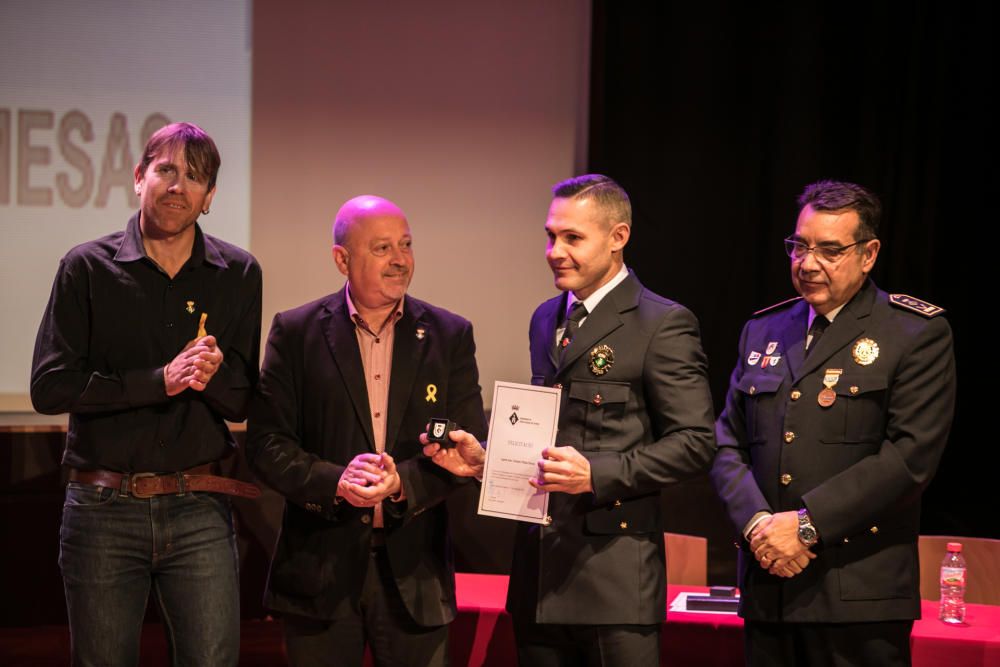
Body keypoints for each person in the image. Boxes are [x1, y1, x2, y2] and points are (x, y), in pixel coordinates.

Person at [424, 174, 716, 665]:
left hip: (614, 580)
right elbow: (550, 430)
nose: (555, 251)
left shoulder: (661, 323)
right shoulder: (546, 317)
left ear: (618, 238)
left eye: (572, 238)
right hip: (540, 572)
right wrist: (486, 464)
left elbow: (695, 443)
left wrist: (595, 475)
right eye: (550, 236)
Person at [30, 122, 263, 666]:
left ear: (209, 198)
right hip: (103, 506)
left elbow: (244, 399)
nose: (179, 186)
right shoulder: (87, 267)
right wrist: (160, 380)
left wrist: (212, 374)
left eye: (196, 178)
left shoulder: (238, 273)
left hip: (200, 506)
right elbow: (49, 386)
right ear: (139, 178)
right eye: (166, 170)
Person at [710, 180, 956, 666]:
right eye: (799, 246)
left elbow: (909, 459)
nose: (807, 263)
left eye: (829, 250)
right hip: (769, 587)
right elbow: (726, 443)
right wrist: (760, 526)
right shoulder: (764, 329)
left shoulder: (914, 333)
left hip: (858, 595)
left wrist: (805, 526)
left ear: (869, 254)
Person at [246, 195, 487, 667]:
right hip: (320, 573)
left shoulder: (449, 334)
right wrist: (335, 481)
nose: (400, 260)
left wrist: (404, 485)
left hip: (416, 575)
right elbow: (266, 444)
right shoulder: (295, 333)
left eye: (406, 245)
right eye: (382, 248)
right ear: (342, 259)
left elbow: (469, 447)